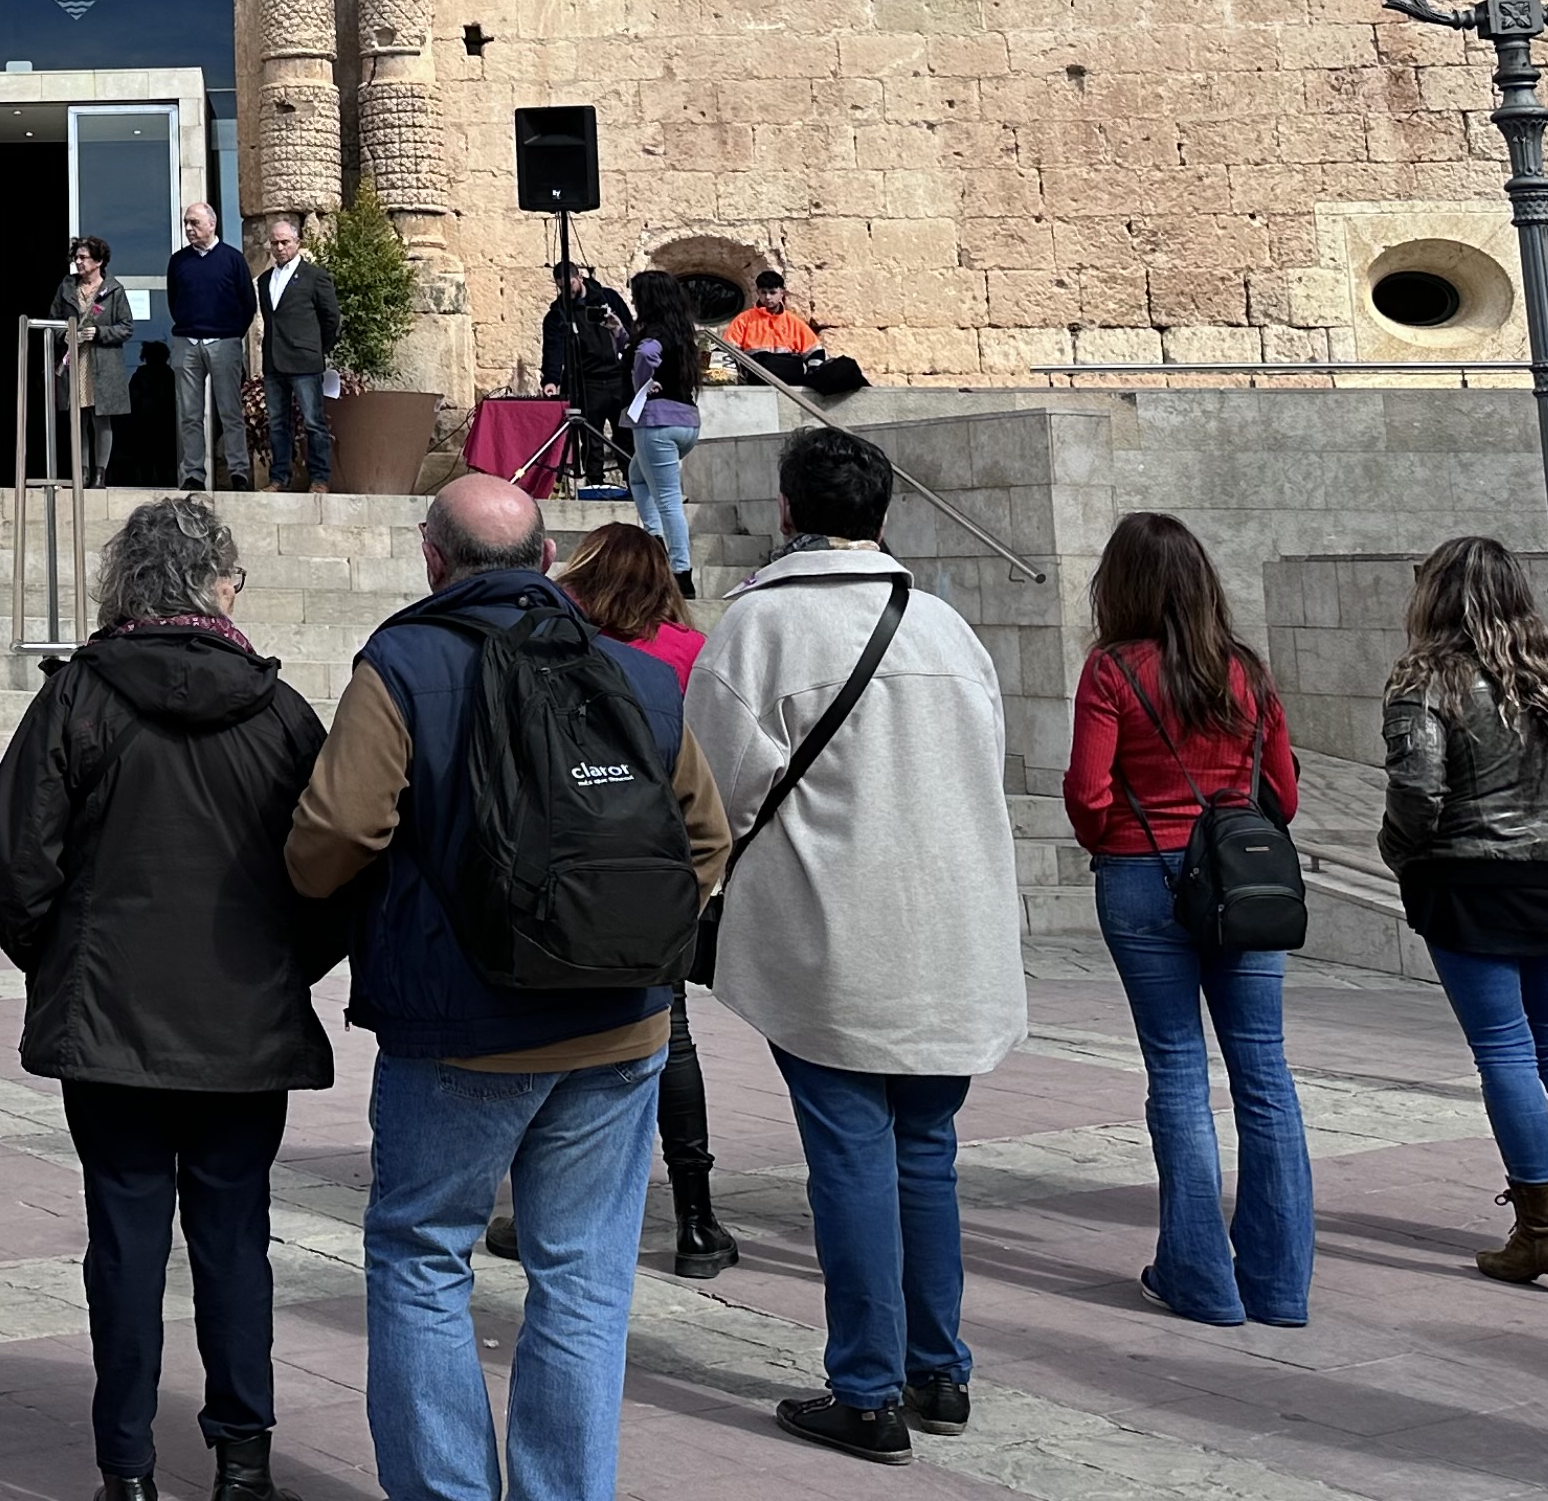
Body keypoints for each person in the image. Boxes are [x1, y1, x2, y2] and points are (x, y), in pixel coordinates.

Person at [284, 476, 728, 1501]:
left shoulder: (402, 662)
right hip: (621, 1026)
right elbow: (705, 834)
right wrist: (622, 936)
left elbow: (339, 832)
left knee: (422, 1254)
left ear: (432, 559)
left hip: (462, 1024)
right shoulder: (634, 672)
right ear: (545, 555)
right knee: (583, 1279)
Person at [0, 498, 337, 1501]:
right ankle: (243, 1460)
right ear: (216, 584)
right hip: (240, 1020)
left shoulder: (78, 698)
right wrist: (285, 968)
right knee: (234, 1239)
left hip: (112, 1023)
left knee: (125, 1242)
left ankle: (126, 1469)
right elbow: (334, 869)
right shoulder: (278, 714)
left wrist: (60, 963)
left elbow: (14, 864)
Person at [686, 429, 1024, 1465]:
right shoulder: (946, 626)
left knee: (848, 1157)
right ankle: (939, 1369)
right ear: (886, 515)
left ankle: (868, 1387)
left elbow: (711, 792)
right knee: (926, 1154)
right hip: (949, 925)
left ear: (788, 512)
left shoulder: (757, 630)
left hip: (835, 929)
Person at [1380, 533, 1548, 1294]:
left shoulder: (1425, 679)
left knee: (1503, 1052)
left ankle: (1542, 1231)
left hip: (1471, 888)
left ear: (1434, 596)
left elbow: (1419, 793)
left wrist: (1402, 856)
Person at [1061, 510, 1311, 1328]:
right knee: (1265, 1076)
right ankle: (1279, 1285)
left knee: (1176, 1070)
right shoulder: (1246, 671)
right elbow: (1285, 796)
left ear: (1120, 586)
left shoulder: (1111, 670)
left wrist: (1119, 835)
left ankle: (1200, 1277)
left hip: (1141, 874)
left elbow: (1089, 795)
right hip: (1241, 884)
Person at [554, 521, 733, 1279]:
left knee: (560, 1045)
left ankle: (554, 1212)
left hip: (572, 869)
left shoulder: (565, 653)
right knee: (674, 1042)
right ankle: (696, 1219)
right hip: (660, 873)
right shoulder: (691, 656)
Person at [623, 269, 704, 598]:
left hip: (657, 422)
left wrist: (642, 384)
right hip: (686, 422)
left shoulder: (654, 333)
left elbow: (644, 355)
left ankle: (681, 571)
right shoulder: (682, 331)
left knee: (668, 498)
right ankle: (654, 537)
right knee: (637, 476)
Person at [165, 203, 256, 490]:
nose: (189, 229)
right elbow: (174, 300)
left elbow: (247, 304)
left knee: (230, 411)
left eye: (194, 223)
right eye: (186, 223)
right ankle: (193, 474)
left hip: (224, 343)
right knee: (190, 414)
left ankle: (238, 471)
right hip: (187, 343)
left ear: (212, 224)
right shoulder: (178, 261)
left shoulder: (233, 259)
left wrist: (230, 335)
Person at [251, 216, 341, 494]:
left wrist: (317, 348)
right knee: (278, 423)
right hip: (275, 362)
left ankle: (319, 479)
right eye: (274, 243)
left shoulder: (314, 275)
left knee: (313, 422)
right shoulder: (265, 279)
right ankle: (279, 478)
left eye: (285, 242)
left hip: (304, 361)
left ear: (297, 243)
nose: (279, 248)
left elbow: (331, 317)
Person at [52, 235, 138, 485]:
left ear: (99, 261)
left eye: (83, 258)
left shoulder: (114, 290)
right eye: (76, 258)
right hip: (74, 360)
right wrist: (64, 335)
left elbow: (126, 327)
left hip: (103, 362)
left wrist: (100, 333)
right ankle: (83, 472)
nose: (78, 262)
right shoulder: (67, 287)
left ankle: (100, 473)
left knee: (101, 418)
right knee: (77, 418)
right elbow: (53, 320)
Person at [539, 265, 631, 490]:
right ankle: (595, 485)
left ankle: (634, 482)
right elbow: (553, 349)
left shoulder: (607, 298)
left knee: (626, 437)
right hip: (586, 383)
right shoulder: (557, 314)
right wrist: (551, 380)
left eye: (569, 285)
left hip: (618, 378)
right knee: (591, 441)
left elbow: (629, 327)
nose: (566, 291)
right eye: (560, 288)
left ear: (580, 277)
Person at [723, 271, 868, 400]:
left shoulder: (794, 322)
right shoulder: (744, 320)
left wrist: (813, 375)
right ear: (758, 293)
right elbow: (726, 350)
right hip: (757, 379)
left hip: (790, 380)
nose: (767, 297)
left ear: (782, 293)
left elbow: (814, 351)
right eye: (763, 292)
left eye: (772, 292)